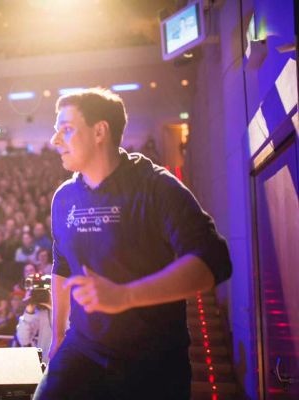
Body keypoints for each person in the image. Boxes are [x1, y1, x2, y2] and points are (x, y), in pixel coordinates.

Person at [34, 88, 232, 400]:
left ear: (100, 131)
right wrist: (58, 336)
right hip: (83, 349)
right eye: (56, 130)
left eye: (67, 129)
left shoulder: (156, 186)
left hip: (152, 361)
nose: (55, 140)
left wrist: (125, 296)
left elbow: (213, 261)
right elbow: (62, 265)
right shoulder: (64, 198)